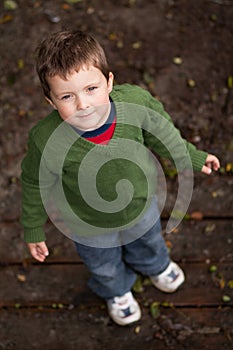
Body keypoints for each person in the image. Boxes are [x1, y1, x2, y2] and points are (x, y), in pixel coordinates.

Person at [20, 30, 220, 326]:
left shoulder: (135, 104)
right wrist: (33, 227)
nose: (83, 105)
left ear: (109, 82)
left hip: (139, 200)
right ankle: (118, 290)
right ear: (50, 102)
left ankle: (155, 265)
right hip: (88, 223)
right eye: (66, 96)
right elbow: (35, 182)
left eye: (91, 89)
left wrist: (189, 155)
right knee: (103, 264)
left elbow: (161, 132)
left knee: (149, 238)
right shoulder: (47, 139)